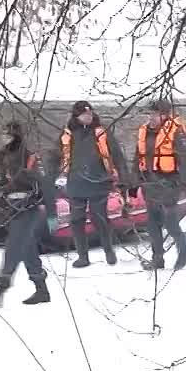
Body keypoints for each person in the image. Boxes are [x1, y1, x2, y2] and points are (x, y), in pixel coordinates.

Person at [0, 120, 55, 307]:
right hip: (10, 208)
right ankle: (42, 290)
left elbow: (43, 185)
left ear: (16, 137)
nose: (4, 138)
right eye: (3, 135)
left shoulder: (29, 157)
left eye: (8, 135)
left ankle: (0, 291)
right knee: (27, 248)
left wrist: (51, 215)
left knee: (13, 247)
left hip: (27, 208)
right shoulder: (1, 157)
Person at [56, 100, 128, 268]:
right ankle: (83, 256)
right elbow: (55, 156)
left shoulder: (101, 133)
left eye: (90, 113)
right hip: (75, 183)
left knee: (100, 218)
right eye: (84, 114)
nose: (88, 116)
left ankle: (108, 251)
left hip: (99, 182)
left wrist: (123, 177)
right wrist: (53, 176)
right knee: (77, 220)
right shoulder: (67, 134)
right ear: (77, 116)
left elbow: (116, 155)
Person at [131, 98, 186, 270]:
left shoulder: (175, 132)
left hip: (168, 182)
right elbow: (138, 158)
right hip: (149, 183)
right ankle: (157, 259)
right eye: (150, 114)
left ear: (165, 115)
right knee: (152, 225)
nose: (151, 117)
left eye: (155, 114)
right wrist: (133, 183)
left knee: (170, 222)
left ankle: (184, 252)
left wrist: (184, 184)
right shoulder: (144, 131)